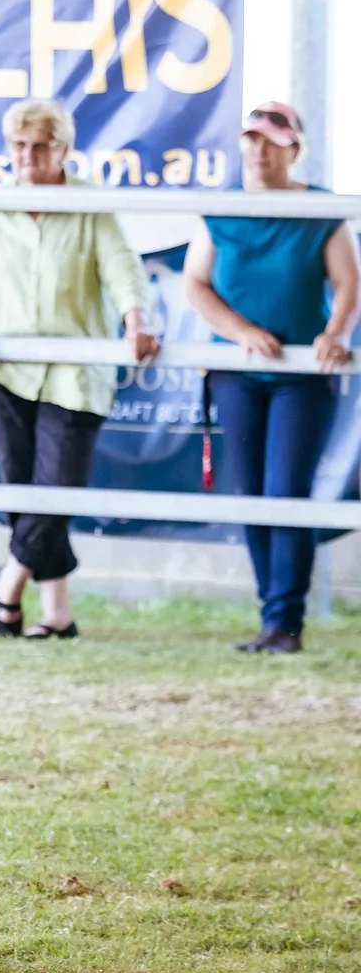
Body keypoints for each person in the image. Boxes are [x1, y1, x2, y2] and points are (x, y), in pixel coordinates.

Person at [0, 99, 156, 639]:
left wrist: (137, 320)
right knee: (23, 489)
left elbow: (122, 270)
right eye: (19, 146)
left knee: (55, 489)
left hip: (75, 371)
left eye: (41, 146)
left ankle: (8, 582)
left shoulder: (89, 203)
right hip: (6, 370)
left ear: (64, 150)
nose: (28, 156)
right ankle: (57, 613)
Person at [183, 102, 358, 653]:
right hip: (237, 371)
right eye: (251, 139)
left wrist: (335, 334)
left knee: (287, 492)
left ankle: (287, 621)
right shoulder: (223, 209)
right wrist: (241, 333)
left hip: (302, 376)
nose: (258, 150)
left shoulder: (319, 208)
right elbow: (197, 285)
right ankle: (271, 618)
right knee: (252, 494)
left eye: (271, 141)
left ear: (293, 149)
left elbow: (348, 283)